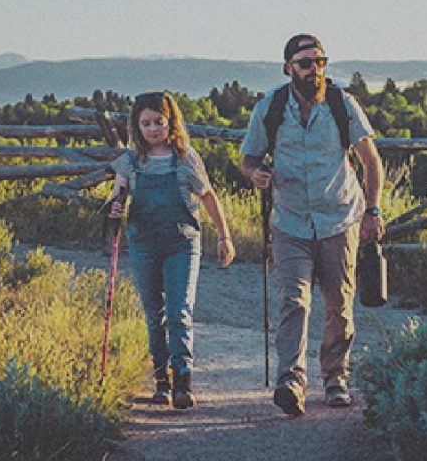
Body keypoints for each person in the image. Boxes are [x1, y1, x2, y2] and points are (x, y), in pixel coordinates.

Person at [239, 33, 384, 416]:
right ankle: (292, 382)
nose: (315, 69)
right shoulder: (269, 108)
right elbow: (248, 159)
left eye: (320, 62)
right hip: (290, 223)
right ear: (289, 69)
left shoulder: (342, 104)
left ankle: (336, 380)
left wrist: (373, 211)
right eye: (306, 63)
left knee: (339, 303)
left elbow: (371, 160)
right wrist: (255, 175)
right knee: (294, 302)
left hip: (339, 219)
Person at [107, 90, 236, 409]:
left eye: (159, 122)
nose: (153, 129)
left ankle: (183, 381)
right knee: (154, 314)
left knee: (179, 313)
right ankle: (161, 382)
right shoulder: (129, 161)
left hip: (182, 242)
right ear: (136, 127)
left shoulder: (186, 158)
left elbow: (207, 196)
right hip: (143, 244)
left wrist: (224, 236)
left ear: (171, 123)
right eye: (146, 123)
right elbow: (117, 198)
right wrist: (113, 209)